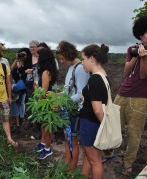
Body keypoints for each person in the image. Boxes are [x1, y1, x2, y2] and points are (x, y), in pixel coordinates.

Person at [113, 15, 147, 176]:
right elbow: (126, 72)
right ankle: (109, 153)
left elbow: (143, 75)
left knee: (134, 134)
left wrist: (144, 57)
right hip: (122, 94)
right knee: (113, 127)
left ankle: (128, 164)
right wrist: (135, 56)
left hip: (140, 99)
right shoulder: (131, 49)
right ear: (140, 34)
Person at [56, 41, 90, 170]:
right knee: (67, 137)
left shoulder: (80, 68)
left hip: (75, 109)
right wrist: (58, 96)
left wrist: (63, 101)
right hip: (68, 108)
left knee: (73, 139)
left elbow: (81, 94)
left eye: (62, 58)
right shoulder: (72, 67)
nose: (62, 61)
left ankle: (72, 169)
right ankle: (66, 164)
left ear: (68, 54)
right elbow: (68, 89)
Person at [79, 44, 110, 179]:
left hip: (90, 124)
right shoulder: (103, 76)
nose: (82, 62)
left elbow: (97, 110)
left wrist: (106, 126)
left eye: (83, 59)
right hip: (94, 123)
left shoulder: (95, 79)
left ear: (91, 58)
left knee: (95, 161)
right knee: (89, 157)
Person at [34, 48, 58, 159]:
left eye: (39, 56)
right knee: (44, 125)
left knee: (47, 126)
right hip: (50, 100)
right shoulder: (49, 70)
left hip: (47, 102)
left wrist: (39, 102)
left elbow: (43, 91)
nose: (37, 58)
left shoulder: (45, 72)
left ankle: (47, 149)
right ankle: (43, 144)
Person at [10, 48, 31, 132]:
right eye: (21, 54)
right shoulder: (18, 61)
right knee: (15, 102)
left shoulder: (29, 64)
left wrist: (22, 64)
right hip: (16, 84)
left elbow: (24, 74)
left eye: (24, 55)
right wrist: (17, 59)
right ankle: (17, 121)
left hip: (24, 85)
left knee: (21, 103)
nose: (22, 56)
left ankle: (21, 120)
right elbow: (12, 69)